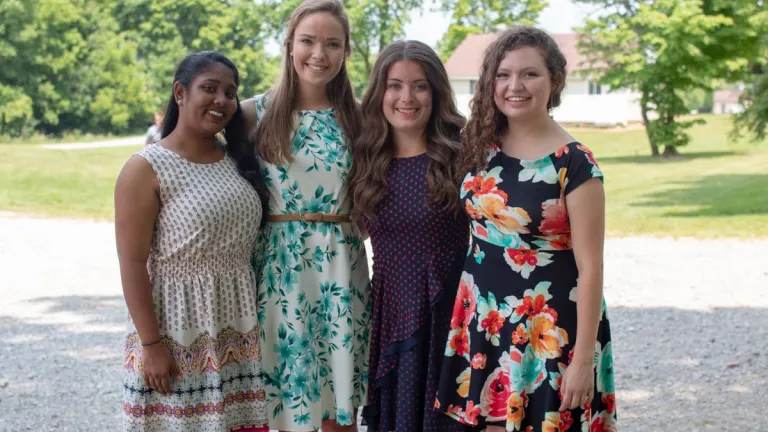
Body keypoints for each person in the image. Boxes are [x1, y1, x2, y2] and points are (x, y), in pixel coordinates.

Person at [434, 27, 617, 432]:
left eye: (530, 74)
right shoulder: (479, 144)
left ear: (554, 81)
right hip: (484, 319)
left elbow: (591, 269)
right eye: (503, 75)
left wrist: (583, 360)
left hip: (549, 328)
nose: (515, 86)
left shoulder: (575, 164)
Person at [115, 51, 270, 432]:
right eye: (210, 88)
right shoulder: (145, 167)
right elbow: (132, 263)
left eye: (231, 93)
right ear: (180, 92)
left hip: (238, 331)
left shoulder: (238, 160)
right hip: (178, 333)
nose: (222, 100)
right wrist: (152, 347)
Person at [240, 1, 369, 431]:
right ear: (289, 45)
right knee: (283, 399)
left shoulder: (362, 116)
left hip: (340, 266)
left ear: (346, 51)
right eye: (309, 41)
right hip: (278, 268)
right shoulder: (250, 114)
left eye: (333, 43)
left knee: (339, 403)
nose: (320, 53)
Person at [347, 40, 469, 432]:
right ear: (379, 92)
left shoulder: (462, 154)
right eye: (394, 85)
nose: (406, 97)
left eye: (419, 86)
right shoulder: (365, 157)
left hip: (449, 314)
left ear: (436, 92)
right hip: (390, 312)